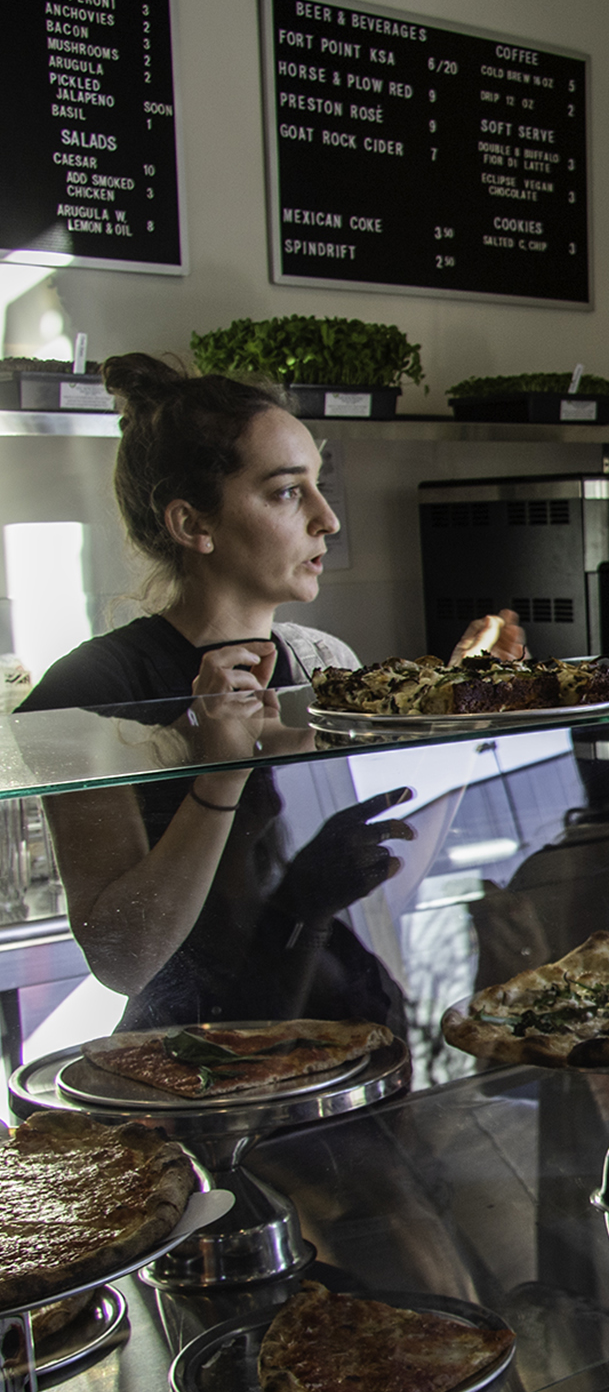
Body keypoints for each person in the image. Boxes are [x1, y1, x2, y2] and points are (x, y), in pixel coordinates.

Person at [19, 353, 521, 1030]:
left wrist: (460, 708)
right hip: (201, 1063)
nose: (328, 519)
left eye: (319, 483)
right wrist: (220, 772)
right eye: (287, 491)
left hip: (351, 1028)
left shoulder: (324, 662)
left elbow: (384, 874)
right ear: (193, 525)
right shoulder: (90, 690)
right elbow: (124, 959)